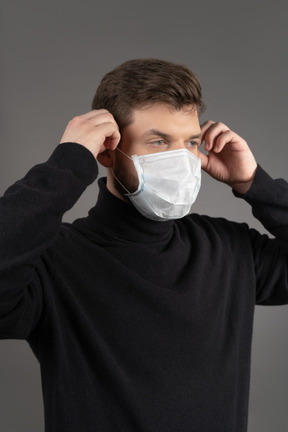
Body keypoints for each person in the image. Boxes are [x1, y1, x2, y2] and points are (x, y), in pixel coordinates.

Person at [0, 58, 287, 432]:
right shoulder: (55, 261)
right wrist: (68, 164)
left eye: (192, 143)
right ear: (107, 152)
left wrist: (255, 182)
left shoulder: (230, 250)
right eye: (159, 142)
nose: (182, 160)